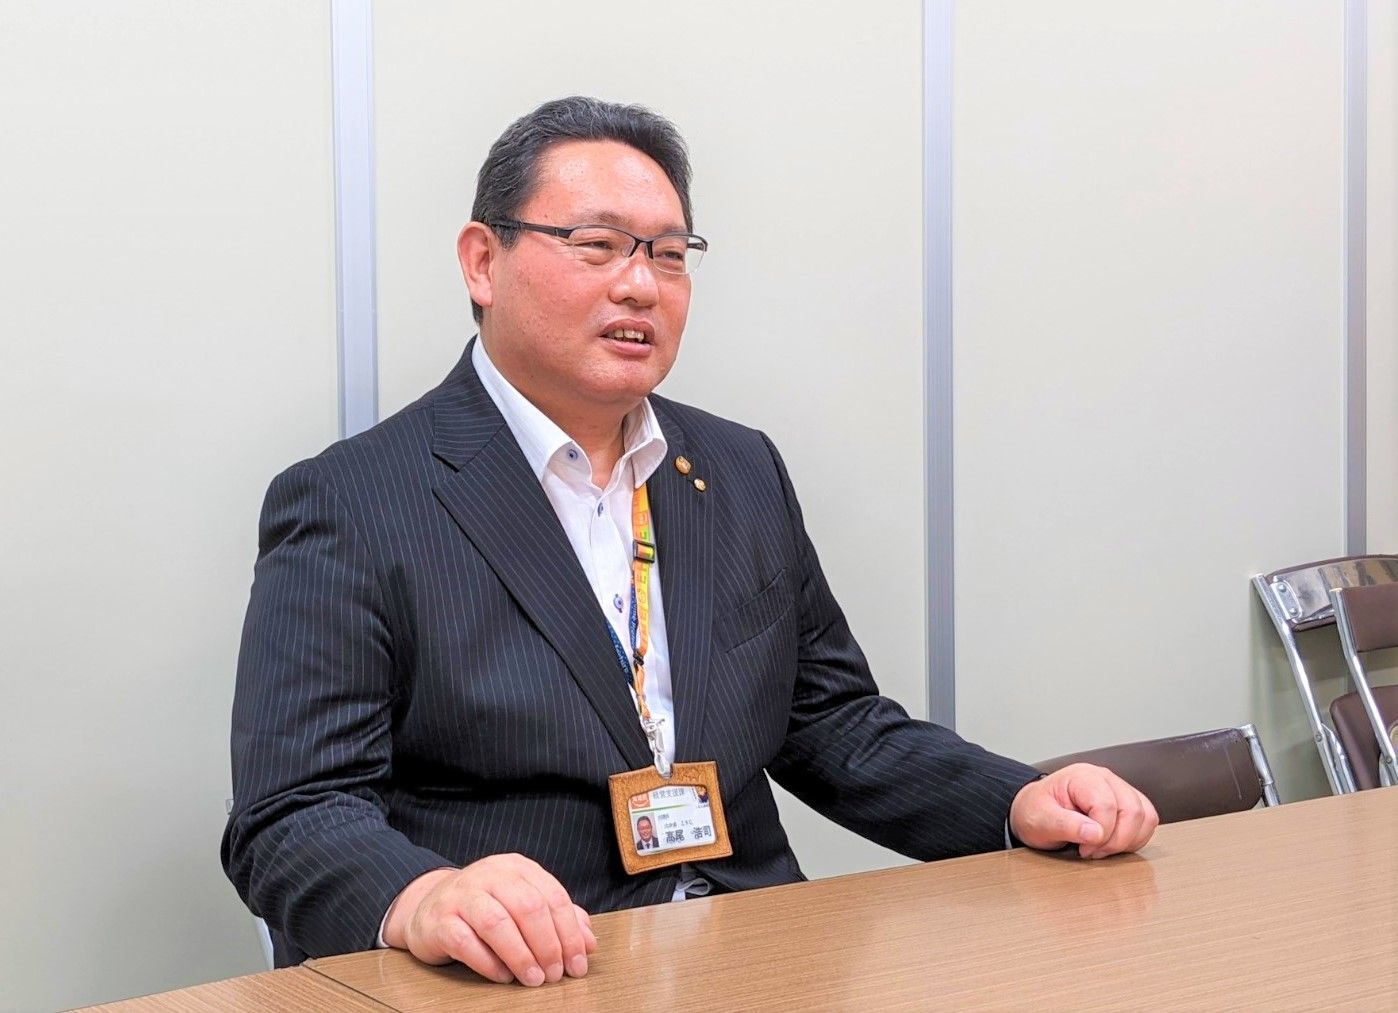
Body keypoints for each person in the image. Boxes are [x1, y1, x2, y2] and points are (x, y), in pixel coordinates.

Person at [222, 96, 1157, 989]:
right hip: (536, 974)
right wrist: (426, 895)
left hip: (760, 960)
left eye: (669, 255)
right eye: (596, 245)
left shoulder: (737, 468)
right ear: (483, 262)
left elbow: (831, 722)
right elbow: (292, 814)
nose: (640, 283)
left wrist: (1013, 802)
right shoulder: (355, 501)